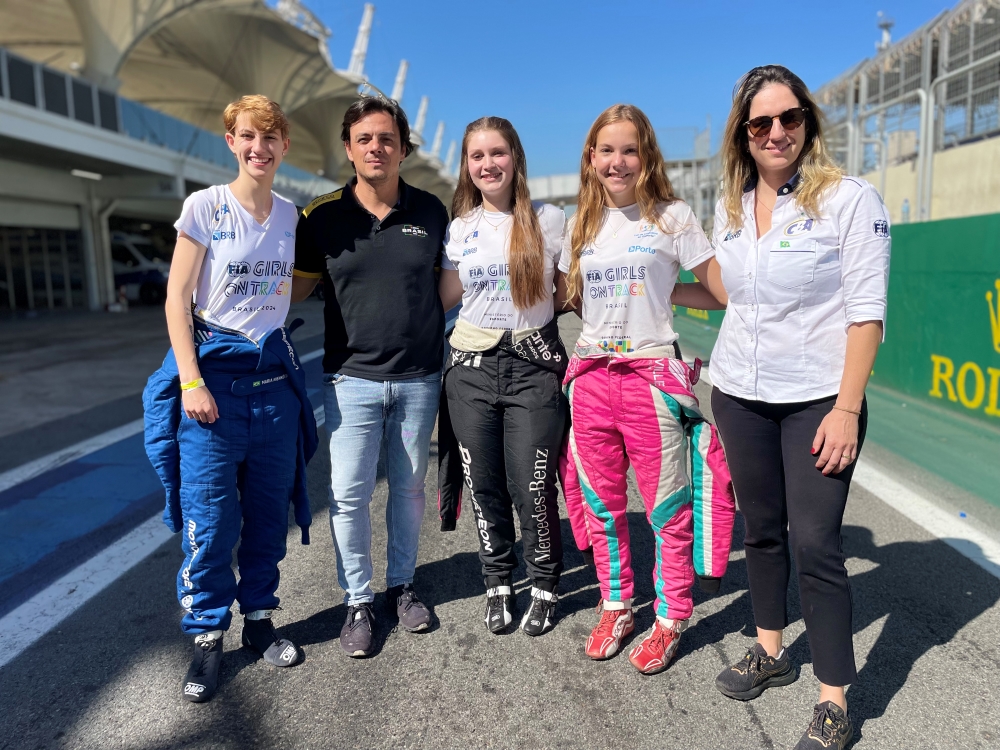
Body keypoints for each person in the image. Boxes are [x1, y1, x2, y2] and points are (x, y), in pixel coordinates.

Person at [706, 65, 890, 750]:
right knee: (760, 532)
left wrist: (847, 408)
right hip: (739, 396)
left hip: (818, 400)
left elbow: (867, 316)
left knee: (816, 545)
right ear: (743, 135)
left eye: (789, 118)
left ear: (807, 122)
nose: (777, 132)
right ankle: (771, 651)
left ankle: (835, 699)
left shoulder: (847, 199)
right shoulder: (731, 207)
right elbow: (728, 295)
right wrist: (650, 286)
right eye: (761, 123)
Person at [143, 95, 317, 703]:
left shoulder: (293, 215)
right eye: (248, 136)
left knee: (267, 520)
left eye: (270, 138)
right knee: (212, 522)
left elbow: (285, 296)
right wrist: (190, 381)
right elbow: (176, 299)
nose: (259, 148)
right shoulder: (205, 207)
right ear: (231, 141)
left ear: (284, 146)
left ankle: (260, 622)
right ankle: (207, 637)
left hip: (273, 391)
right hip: (213, 394)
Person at [558, 104, 736, 674]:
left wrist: (664, 293)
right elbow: (576, 297)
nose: (618, 161)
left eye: (629, 150)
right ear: (590, 159)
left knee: (667, 509)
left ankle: (671, 615)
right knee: (603, 506)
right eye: (606, 151)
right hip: (589, 379)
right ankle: (615, 604)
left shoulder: (673, 216)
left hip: (651, 381)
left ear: (647, 156)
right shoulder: (579, 224)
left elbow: (720, 294)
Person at [291, 96, 449, 658]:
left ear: (403, 148)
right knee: (348, 496)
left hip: (418, 379)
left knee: (407, 490)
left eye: (386, 138)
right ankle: (358, 600)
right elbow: (291, 289)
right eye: (364, 139)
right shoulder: (320, 217)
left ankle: (401, 586)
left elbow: (452, 285)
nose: (376, 148)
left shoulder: (432, 211)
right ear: (349, 149)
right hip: (350, 380)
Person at [437, 117, 567, 636]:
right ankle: (497, 581)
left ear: (515, 158)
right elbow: (443, 299)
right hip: (469, 370)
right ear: (467, 167)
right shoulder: (461, 227)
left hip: (532, 370)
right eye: (477, 156)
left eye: (497, 153)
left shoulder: (549, 218)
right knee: (484, 484)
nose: (488, 164)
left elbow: (568, 291)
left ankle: (545, 582)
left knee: (531, 487)